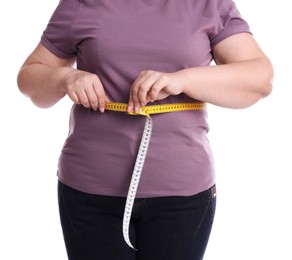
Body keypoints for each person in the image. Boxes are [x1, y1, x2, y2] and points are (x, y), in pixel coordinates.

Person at [17, 0, 273, 259]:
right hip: (89, 192)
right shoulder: (81, 4)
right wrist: (65, 79)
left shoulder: (208, 4)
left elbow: (260, 79)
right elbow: (29, 78)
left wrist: (182, 80)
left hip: (183, 195)